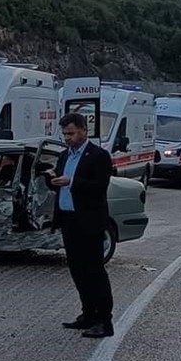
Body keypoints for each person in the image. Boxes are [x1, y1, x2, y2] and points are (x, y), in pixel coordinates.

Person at [49, 111, 115, 339]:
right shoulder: (64, 156)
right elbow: (60, 184)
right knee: (77, 272)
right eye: (65, 134)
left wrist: (72, 181)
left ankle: (104, 321)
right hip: (69, 220)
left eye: (71, 133)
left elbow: (99, 186)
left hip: (90, 222)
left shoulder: (98, 156)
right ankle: (88, 314)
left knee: (94, 271)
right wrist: (54, 180)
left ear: (83, 131)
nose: (67, 138)